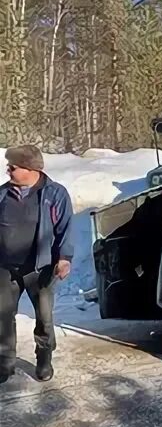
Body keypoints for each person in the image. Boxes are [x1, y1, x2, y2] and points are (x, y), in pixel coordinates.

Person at [0, 145, 74, 383]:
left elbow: (65, 230)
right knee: (2, 317)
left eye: (13, 167)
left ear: (31, 169)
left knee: (44, 318)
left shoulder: (54, 194)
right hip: (5, 268)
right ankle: (4, 363)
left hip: (39, 268)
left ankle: (44, 359)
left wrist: (64, 258)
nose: (8, 170)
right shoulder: (2, 194)